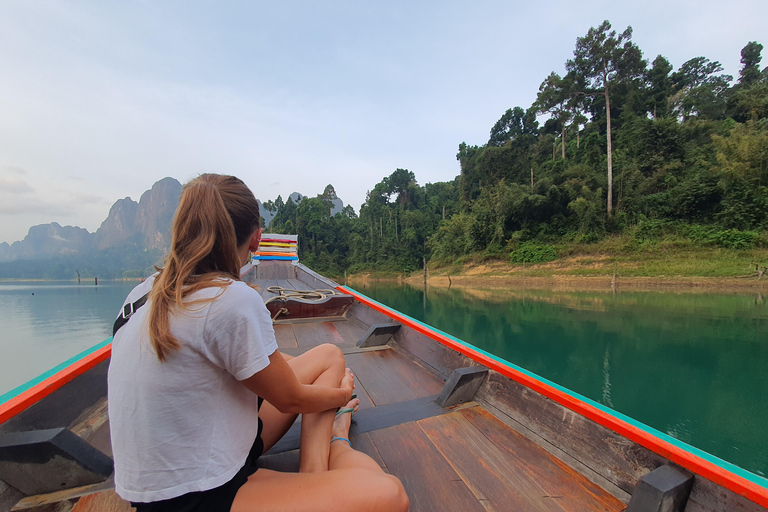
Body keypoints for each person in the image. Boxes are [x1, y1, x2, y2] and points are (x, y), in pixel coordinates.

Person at [108, 174, 409, 512]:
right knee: (391, 495)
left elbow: (258, 367)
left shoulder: (143, 292)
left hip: (202, 454)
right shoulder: (230, 298)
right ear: (256, 241)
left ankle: (314, 472)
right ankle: (336, 443)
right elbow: (289, 398)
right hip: (194, 497)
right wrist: (340, 398)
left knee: (328, 355)